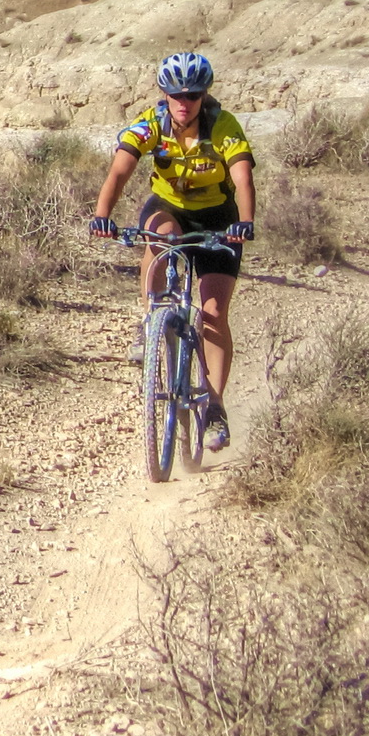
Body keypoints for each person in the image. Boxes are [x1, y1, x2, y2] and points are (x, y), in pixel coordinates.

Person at [88, 52, 256, 452]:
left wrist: (245, 221)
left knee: (214, 314)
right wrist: (102, 215)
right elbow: (119, 170)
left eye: (193, 95)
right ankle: (152, 321)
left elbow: (243, 175)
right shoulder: (151, 123)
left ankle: (215, 408)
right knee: (160, 238)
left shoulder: (222, 125)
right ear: (164, 94)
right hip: (169, 208)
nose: (184, 103)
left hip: (218, 219)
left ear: (203, 95)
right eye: (176, 95)